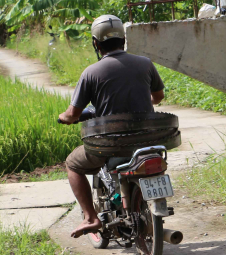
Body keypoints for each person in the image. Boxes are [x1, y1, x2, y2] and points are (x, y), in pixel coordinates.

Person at [58, 14, 165, 238]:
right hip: (148, 141)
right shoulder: (145, 63)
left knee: (72, 164)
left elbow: (73, 113)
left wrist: (64, 117)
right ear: (124, 40)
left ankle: (90, 217)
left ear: (96, 43)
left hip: (111, 145)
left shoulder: (91, 72)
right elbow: (158, 97)